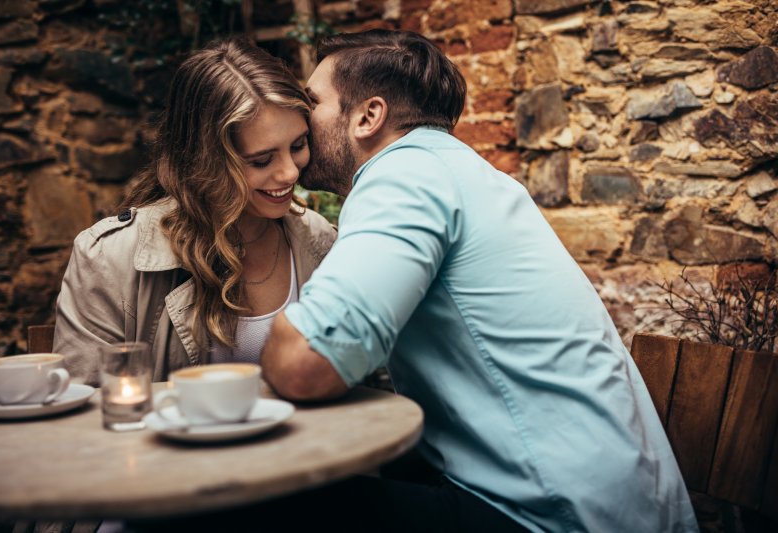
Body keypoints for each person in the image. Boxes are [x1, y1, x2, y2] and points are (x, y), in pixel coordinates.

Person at [257, 29, 699, 532]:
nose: (300, 116)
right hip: (616, 501)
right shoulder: (460, 170)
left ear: (367, 116)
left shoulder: (405, 176)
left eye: (312, 101)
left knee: (272, 507)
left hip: (552, 512)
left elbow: (305, 363)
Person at [53, 38, 336, 386]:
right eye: (261, 160)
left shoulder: (319, 241)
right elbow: (87, 415)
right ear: (205, 160)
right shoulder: (109, 259)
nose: (290, 173)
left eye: (298, 146)